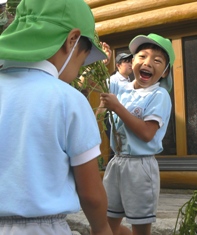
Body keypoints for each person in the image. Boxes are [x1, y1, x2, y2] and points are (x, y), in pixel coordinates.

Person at [0, 0, 112, 234]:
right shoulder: (67, 100)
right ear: (72, 40)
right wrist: (102, 229)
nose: (78, 70)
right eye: (82, 60)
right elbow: (91, 194)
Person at [99, 33, 175, 235]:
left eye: (157, 60)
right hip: (116, 162)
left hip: (140, 167)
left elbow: (146, 134)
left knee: (140, 228)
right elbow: (95, 85)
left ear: (165, 72)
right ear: (132, 62)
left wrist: (118, 108)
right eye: (142, 56)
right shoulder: (120, 87)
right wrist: (102, 61)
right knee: (105, 224)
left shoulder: (159, 95)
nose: (147, 63)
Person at [96, 52, 133, 162]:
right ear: (118, 65)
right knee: (117, 148)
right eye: (126, 62)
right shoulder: (112, 80)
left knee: (122, 148)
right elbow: (104, 101)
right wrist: (98, 117)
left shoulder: (129, 81)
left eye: (131, 62)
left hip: (125, 118)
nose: (130, 64)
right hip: (113, 119)